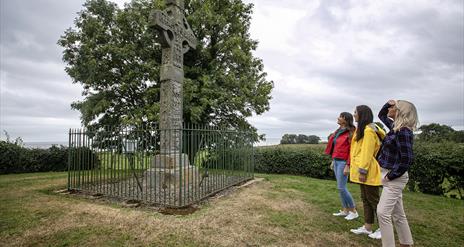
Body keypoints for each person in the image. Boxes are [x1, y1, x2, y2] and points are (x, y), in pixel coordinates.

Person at [376, 100, 418, 247]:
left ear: (400, 111)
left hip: (395, 177)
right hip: (390, 175)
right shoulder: (395, 127)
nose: (390, 109)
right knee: (398, 214)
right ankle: (406, 243)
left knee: (382, 213)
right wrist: (387, 103)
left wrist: (390, 176)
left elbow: (406, 159)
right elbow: (381, 115)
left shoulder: (403, 131)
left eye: (393, 107)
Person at [349, 105, 385, 237]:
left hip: (368, 170)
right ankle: (368, 227)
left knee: (374, 201)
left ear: (362, 114)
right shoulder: (362, 129)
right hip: (363, 170)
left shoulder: (369, 131)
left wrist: (363, 171)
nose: (353, 115)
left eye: (355, 112)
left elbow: (367, 153)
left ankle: (383, 230)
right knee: (365, 199)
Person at [324, 112, 359, 220]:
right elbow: (335, 147)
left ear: (345, 119)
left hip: (344, 162)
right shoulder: (338, 131)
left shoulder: (351, 132)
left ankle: (353, 210)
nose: (338, 118)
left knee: (341, 187)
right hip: (337, 161)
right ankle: (345, 210)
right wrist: (333, 160)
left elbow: (351, 151)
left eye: (340, 117)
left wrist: (348, 165)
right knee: (340, 188)